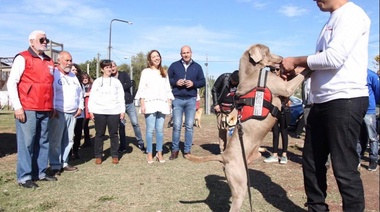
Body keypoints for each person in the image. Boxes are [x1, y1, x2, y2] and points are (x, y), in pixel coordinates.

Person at [281, 1, 370, 211]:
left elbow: (334, 58)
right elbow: (323, 61)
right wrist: (299, 70)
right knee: (311, 162)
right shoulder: (333, 19)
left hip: (345, 100)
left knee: (344, 167)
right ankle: (316, 208)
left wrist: (296, 60)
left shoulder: (352, 15)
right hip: (321, 101)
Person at [7, 30, 57, 188]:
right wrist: (17, 106)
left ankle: (40, 172)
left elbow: (50, 86)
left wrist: (52, 105)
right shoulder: (23, 58)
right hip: (28, 107)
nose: (45, 42)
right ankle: (24, 176)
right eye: (41, 39)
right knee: (27, 143)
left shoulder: (49, 61)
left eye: (46, 39)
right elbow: (11, 83)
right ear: (31, 42)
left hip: (45, 107)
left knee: (43, 141)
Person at [135, 50, 174, 163]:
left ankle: (159, 153)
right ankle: (149, 153)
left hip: (162, 103)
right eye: (153, 57)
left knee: (160, 130)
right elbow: (141, 88)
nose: (156, 58)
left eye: (158, 56)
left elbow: (167, 89)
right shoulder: (146, 72)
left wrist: (169, 103)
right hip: (149, 103)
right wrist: (142, 104)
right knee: (150, 130)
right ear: (150, 60)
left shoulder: (164, 72)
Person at [48, 51, 83, 175]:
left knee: (69, 139)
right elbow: (50, 92)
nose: (69, 63)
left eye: (70, 60)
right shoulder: (54, 73)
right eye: (66, 60)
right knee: (56, 140)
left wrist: (80, 107)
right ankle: (55, 165)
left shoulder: (73, 76)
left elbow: (80, 93)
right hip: (58, 111)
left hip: (72, 112)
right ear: (59, 60)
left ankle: (64, 162)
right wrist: (52, 108)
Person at [168, 45, 206, 159]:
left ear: (191, 53)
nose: (186, 55)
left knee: (189, 126)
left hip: (191, 99)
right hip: (177, 99)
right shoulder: (174, 66)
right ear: (180, 54)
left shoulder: (197, 67)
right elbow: (167, 80)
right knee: (177, 126)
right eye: (183, 53)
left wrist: (193, 83)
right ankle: (175, 150)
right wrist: (175, 82)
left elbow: (203, 81)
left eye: (187, 52)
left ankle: (187, 150)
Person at [88, 59, 125, 165]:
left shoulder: (116, 82)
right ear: (102, 69)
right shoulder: (97, 82)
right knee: (99, 134)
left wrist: (122, 110)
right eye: (107, 67)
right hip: (99, 111)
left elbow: (121, 97)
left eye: (110, 67)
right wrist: (91, 110)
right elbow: (92, 97)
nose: (109, 69)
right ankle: (98, 156)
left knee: (113, 134)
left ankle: (114, 155)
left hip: (114, 111)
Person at [111, 61, 145, 153]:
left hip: (129, 103)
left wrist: (118, 87)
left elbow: (129, 84)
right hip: (118, 105)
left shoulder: (123, 74)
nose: (112, 68)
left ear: (116, 66)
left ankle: (140, 143)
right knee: (121, 126)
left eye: (113, 66)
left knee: (135, 123)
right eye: (110, 67)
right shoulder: (110, 79)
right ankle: (122, 146)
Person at [264, 67, 291, 164]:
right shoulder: (269, 81)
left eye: (277, 69)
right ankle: (274, 154)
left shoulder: (283, 79)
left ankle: (284, 155)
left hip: (283, 107)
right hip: (273, 108)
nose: (275, 71)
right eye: (272, 70)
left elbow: (287, 92)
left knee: (284, 131)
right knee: (275, 132)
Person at [356, 69, 380, 171]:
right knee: (356, 136)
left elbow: (377, 92)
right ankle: (357, 159)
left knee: (372, 136)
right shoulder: (353, 73)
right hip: (355, 110)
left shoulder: (371, 75)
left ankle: (373, 159)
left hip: (369, 110)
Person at [211, 70, 239, 154]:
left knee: (232, 128)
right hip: (220, 107)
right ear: (231, 78)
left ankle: (231, 150)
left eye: (236, 83)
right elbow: (214, 89)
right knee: (222, 129)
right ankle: (222, 150)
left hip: (233, 107)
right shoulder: (224, 78)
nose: (234, 84)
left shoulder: (241, 83)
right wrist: (216, 104)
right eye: (233, 82)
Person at [79, 72, 93, 148]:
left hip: (89, 108)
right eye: (83, 78)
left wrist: (86, 94)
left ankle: (87, 141)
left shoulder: (91, 86)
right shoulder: (80, 85)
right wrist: (85, 94)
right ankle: (87, 140)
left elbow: (93, 93)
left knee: (85, 125)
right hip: (82, 108)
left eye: (86, 78)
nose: (85, 80)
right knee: (84, 125)